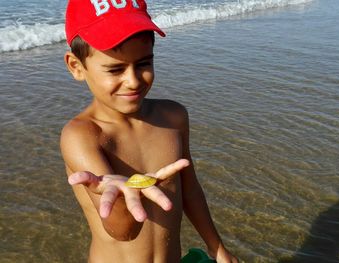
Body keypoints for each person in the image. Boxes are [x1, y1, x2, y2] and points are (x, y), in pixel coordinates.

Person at [61, 0, 239, 262]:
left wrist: (217, 247)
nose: (133, 80)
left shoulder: (173, 117)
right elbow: (122, 231)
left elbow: (189, 190)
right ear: (77, 66)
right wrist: (124, 195)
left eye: (143, 63)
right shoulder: (82, 136)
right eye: (115, 69)